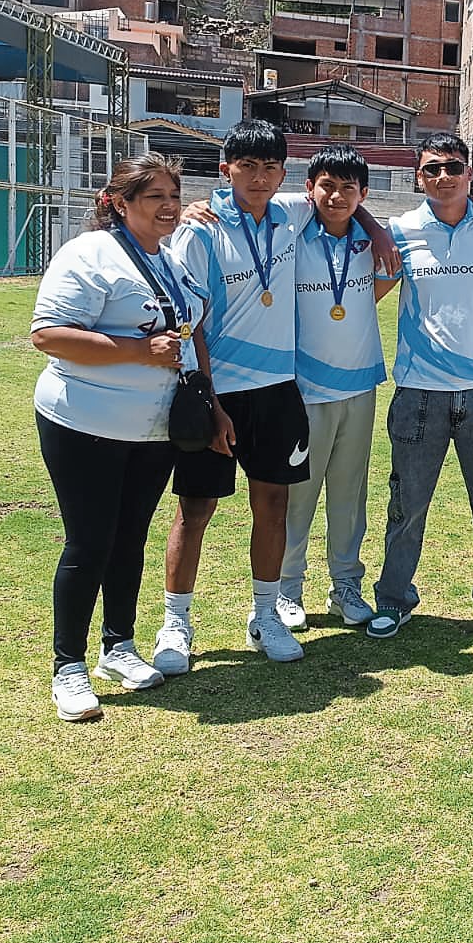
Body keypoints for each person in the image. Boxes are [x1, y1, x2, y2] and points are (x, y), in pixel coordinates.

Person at [30, 153, 214, 720]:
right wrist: (139, 352)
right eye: (153, 196)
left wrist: (206, 397)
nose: (168, 207)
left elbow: (189, 328)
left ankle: (119, 646)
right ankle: (69, 667)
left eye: (173, 195)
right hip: (85, 423)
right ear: (119, 202)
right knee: (89, 543)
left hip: (152, 429)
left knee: (131, 537)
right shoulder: (89, 254)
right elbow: (48, 336)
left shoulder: (172, 259)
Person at [158, 119, 316, 671]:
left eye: (270, 166)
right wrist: (212, 400)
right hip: (218, 392)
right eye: (246, 166)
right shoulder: (199, 230)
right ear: (225, 170)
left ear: (282, 173)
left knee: (273, 504)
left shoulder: (292, 214)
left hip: (278, 391)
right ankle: (176, 621)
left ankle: (265, 615)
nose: (259, 176)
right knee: (195, 508)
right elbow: (190, 320)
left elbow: (342, 195)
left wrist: (380, 226)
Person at [370, 133, 473, 637]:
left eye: (453, 168)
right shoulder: (400, 230)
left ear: (470, 174)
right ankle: (394, 598)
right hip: (419, 392)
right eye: (432, 169)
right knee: (407, 503)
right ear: (419, 176)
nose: (443, 177)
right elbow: (372, 291)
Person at [276, 145, 397, 633]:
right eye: (327, 185)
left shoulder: (374, 245)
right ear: (309, 189)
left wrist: (374, 226)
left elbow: (381, 288)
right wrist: (370, 217)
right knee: (298, 496)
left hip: (360, 385)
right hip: (304, 388)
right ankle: (286, 587)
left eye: (350, 188)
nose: (338, 196)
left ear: (363, 193)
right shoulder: (290, 234)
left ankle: (346, 584)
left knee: (349, 495)